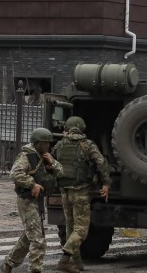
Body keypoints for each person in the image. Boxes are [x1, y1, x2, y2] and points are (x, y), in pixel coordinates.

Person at [52, 116, 111, 273]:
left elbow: (51, 161)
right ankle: (65, 259)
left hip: (65, 192)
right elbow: (101, 163)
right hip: (80, 192)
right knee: (81, 230)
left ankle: (77, 263)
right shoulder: (87, 145)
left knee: (70, 228)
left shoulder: (59, 145)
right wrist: (105, 183)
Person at [2, 127, 63, 273]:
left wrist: (52, 163)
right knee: (38, 239)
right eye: (45, 143)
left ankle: (9, 264)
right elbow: (15, 174)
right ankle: (35, 269)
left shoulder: (45, 155)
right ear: (37, 143)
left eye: (49, 143)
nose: (48, 146)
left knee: (29, 236)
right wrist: (32, 184)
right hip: (27, 200)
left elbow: (61, 171)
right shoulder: (27, 156)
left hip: (38, 201)